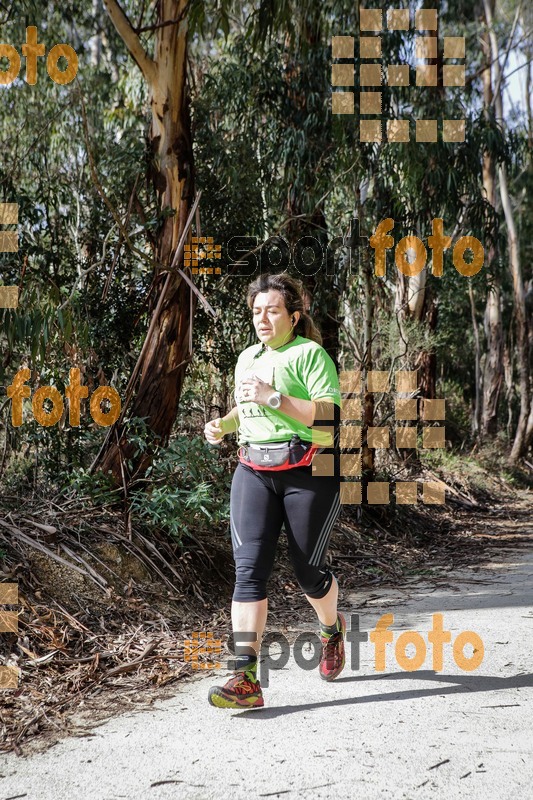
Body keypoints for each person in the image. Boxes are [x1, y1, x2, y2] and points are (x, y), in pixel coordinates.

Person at [204, 272, 345, 709]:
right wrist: (223, 426)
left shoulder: (310, 355)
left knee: (307, 571)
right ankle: (244, 678)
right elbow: (245, 409)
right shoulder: (246, 357)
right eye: (256, 311)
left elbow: (329, 422)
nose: (262, 318)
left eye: (273, 310)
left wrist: (274, 397)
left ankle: (331, 629)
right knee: (249, 570)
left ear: (293, 315)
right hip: (254, 469)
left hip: (311, 470)